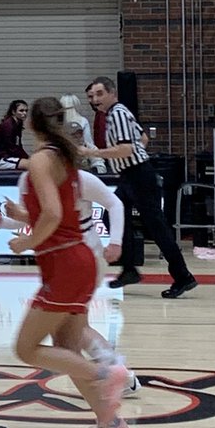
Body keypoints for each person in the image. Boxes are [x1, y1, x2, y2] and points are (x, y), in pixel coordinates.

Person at [7, 96, 131, 428]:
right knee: (67, 351)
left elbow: (52, 216)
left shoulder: (40, 161)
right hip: (77, 260)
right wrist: (19, 215)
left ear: (30, 124)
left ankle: (107, 373)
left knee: (26, 349)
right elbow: (54, 214)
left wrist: (25, 242)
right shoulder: (63, 157)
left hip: (65, 263)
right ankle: (112, 426)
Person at [82, 76, 197, 299]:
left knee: (157, 228)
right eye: (91, 96)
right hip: (131, 175)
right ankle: (129, 268)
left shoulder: (117, 114)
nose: (95, 100)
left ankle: (183, 276)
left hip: (139, 175)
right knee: (113, 215)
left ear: (112, 93)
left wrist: (94, 153)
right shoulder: (117, 114)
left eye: (99, 94)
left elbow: (126, 149)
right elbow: (142, 139)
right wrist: (129, 157)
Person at [60, 93, 106, 173]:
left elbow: (99, 164)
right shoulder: (59, 151)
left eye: (80, 134)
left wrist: (92, 171)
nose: (78, 137)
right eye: (73, 135)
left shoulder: (89, 148)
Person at [0, 100, 29, 165]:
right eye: (21, 111)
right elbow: (11, 147)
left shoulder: (17, 125)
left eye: (26, 111)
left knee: (31, 163)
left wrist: (26, 157)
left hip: (10, 157)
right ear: (13, 112)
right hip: (1, 159)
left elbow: (18, 145)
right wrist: (26, 158)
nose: (24, 113)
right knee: (30, 165)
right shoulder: (8, 126)